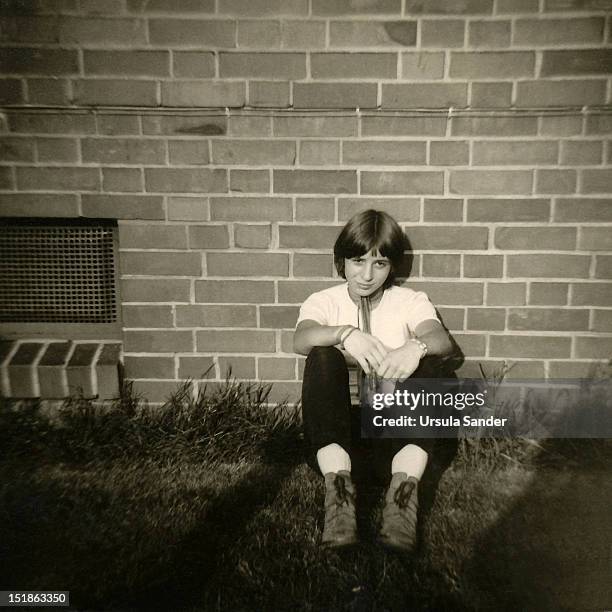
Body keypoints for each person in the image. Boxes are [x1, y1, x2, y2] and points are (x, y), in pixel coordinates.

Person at [293, 209, 455, 552]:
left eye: (379, 264)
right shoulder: (324, 300)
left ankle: (401, 505)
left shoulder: (409, 300)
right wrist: (344, 334)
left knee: (432, 364)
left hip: (398, 443)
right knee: (322, 355)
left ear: (391, 266)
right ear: (342, 262)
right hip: (341, 445)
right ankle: (339, 503)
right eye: (357, 261)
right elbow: (300, 339)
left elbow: (442, 340)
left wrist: (416, 346)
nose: (366, 275)